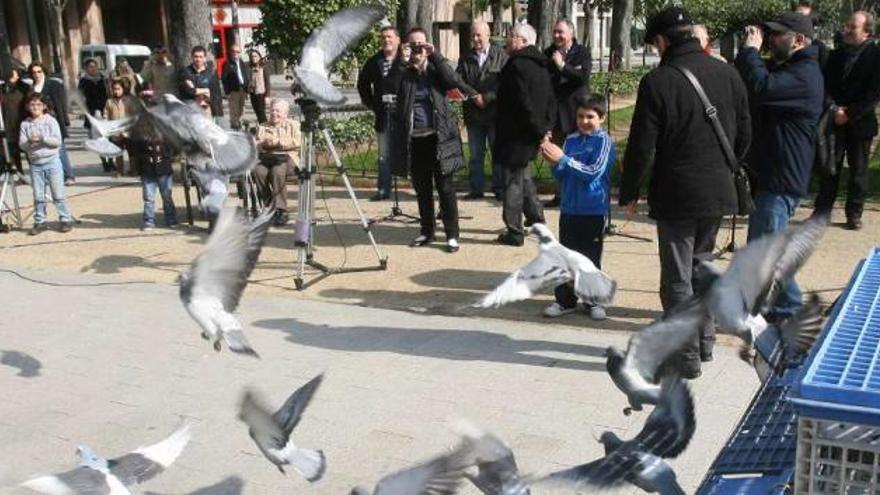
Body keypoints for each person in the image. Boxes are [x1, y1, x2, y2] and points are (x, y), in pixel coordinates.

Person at [619, 7, 751, 378]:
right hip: (718, 189)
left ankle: (686, 355)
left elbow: (642, 145)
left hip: (677, 192)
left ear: (662, 41)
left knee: (677, 279)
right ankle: (705, 343)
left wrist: (630, 190)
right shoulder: (728, 73)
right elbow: (745, 133)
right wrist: (725, 167)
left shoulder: (658, 81)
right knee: (702, 269)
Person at [736, 12, 823, 321]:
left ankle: (789, 311)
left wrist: (750, 51)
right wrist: (746, 56)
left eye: (777, 35)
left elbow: (762, 86)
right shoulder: (791, 68)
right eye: (769, 34)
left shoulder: (804, 74)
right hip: (774, 174)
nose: (770, 40)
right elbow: (752, 82)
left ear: (799, 40)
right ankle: (771, 308)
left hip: (782, 177)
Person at [390, 28, 477, 253]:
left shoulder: (435, 70)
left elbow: (454, 81)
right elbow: (389, 86)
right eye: (413, 45)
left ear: (427, 45)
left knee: (445, 187)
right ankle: (427, 230)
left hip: (439, 138)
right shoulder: (404, 72)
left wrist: (435, 56)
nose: (417, 49)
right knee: (422, 188)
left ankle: (452, 234)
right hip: (415, 140)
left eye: (421, 44)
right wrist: (401, 61)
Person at [539, 94, 615, 320]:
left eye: (590, 117)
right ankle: (565, 300)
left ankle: (593, 300)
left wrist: (563, 159)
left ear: (601, 117)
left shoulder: (604, 141)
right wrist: (553, 161)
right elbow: (562, 174)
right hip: (570, 208)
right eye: (580, 116)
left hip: (593, 209)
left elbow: (593, 172)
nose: (584, 121)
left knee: (590, 257)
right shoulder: (571, 140)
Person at [813, 11, 880, 230]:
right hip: (833, 119)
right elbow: (824, 84)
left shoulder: (876, 56)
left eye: (853, 27)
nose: (848, 30)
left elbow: (874, 93)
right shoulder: (836, 55)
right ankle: (822, 212)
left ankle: (854, 213)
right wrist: (833, 108)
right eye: (848, 26)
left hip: (860, 122)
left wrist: (849, 114)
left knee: (858, 171)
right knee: (829, 167)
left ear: (867, 32)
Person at [494, 22, 554, 247]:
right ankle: (537, 217)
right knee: (523, 176)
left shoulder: (517, 65)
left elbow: (523, 103)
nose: (508, 39)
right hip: (530, 132)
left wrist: (539, 129)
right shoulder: (541, 64)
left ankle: (514, 231)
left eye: (512, 35)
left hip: (516, 134)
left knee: (513, 182)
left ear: (523, 41)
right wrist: (545, 127)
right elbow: (550, 99)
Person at [456, 20, 508, 200]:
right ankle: (476, 189)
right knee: (475, 155)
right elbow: (459, 81)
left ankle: (500, 189)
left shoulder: (501, 56)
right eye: (473, 35)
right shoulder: (465, 57)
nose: (476, 39)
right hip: (474, 115)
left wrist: (486, 98)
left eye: (479, 35)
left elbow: (505, 83)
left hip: (495, 114)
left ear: (488, 34)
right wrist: (474, 95)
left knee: (497, 153)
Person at [543, 18, 591, 209]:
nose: (557, 35)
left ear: (571, 34)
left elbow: (582, 77)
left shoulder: (582, 52)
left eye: (561, 32)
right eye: (555, 32)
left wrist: (562, 66)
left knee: (578, 155)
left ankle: (579, 193)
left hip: (576, 113)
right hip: (555, 114)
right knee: (556, 156)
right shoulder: (548, 53)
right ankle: (560, 194)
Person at [357, 25, 403, 201]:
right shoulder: (374, 61)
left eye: (390, 37)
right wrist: (372, 103)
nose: (386, 40)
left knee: (414, 152)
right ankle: (384, 189)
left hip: (405, 114)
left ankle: (419, 188)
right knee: (384, 155)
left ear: (398, 40)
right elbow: (362, 83)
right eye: (383, 37)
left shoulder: (406, 59)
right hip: (383, 114)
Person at [19, 93, 73, 235]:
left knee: (58, 194)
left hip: (52, 162)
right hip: (35, 164)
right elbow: (22, 145)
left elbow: (57, 141)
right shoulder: (25, 124)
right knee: (38, 196)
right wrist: (29, 141)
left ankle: (65, 219)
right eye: (32, 104)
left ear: (44, 106)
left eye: (38, 104)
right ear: (27, 107)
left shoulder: (51, 121)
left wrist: (43, 138)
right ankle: (40, 221)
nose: (35, 107)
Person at [255, 98, 300, 226]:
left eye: (278, 111)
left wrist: (277, 142)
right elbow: (257, 143)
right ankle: (269, 205)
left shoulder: (293, 125)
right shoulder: (263, 126)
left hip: (288, 157)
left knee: (277, 171)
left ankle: (281, 209)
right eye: (272, 110)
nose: (274, 113)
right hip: (267, 157)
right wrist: (262, 144)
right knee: (258, 171)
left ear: (285, 113)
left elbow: (298, 142)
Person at [28, 61, 74, 185]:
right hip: (38, 123)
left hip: (54, 121)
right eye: (34, 72)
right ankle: (51, 177)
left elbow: (61, 103)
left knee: (59, 148)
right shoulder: (32, 88)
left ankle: (68, 175)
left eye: (39, 71)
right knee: (45, 150)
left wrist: (65, 120)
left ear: (43, 71)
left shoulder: (53, 84)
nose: (37, 74)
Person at [128, 118, 177, 230]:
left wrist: (168, 156)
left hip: (163, 168)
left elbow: (173, 147)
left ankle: (171, 219)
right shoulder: (139, 133)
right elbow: (133, 150)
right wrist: (137, 166)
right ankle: (149, 221)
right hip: (147, 169)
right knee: (148, 198)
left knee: (167, 196)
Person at [78, 58, 113, 173]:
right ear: (86, 69)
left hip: (105, 111)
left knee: (109, 138)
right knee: (97, 139)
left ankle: (111, 160)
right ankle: (104, 162)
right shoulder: (83, 81)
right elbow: (80, 97)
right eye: (90, 67)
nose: (93, 69)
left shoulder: (104, 79)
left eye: (95, 66)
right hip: (92, 112)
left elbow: (109, 93)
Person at [104, 79, 138, 176]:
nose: (116, 91)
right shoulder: (109, 102)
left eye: (118, 89)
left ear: (123, 89)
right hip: (115, 132)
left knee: (132, 152)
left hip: (128, 131)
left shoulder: (129, 101)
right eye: (114, 89)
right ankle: (120, 170)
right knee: (118, 153)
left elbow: (134, 115)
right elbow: (106, 115)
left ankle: (133, 170)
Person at [179, 45, 223, 119]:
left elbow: (216, 93)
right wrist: (206, 90)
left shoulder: (211, 73)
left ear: (205, 58)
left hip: (207, 109)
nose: (198, 59)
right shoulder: (186, 72)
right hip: (191, 110)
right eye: (196, 56)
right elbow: (190, 91)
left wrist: (217, 112)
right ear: (192, 57)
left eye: (201, 57)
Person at [2, 68, 29, 176]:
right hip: (8, 123)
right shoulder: (3, 88)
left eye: (14, 75)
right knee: (13, 151)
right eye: (11, 76)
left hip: (21, 122)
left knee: (27, 149)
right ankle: (19, 173)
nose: (13, 78)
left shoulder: (24, 88)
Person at [221, 44, 250, 130]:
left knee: (242, 109)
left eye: (237, 52)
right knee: (234, 110)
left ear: (240, 53)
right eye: (233, 51)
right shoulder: (227, 64)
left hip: (243, 90)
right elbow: (224, 79)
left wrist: (247, 88)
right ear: (230, 52)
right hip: (233, 91)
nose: (235, 54)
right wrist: (227, 92)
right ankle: (235, 127)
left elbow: (245, 75)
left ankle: (241, 126)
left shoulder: (241, 62)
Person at [247, 49, 272, 124]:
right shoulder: (250, 68)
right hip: (253, 93)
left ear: (259, 57)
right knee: (257, 112)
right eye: (252, 56)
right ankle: (262, 126)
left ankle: (264, 127)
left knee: (261, 113)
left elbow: (267, 82)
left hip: (261, 93)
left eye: (255, 56)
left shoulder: (264, 67)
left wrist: (267, 96)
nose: (254, 58)